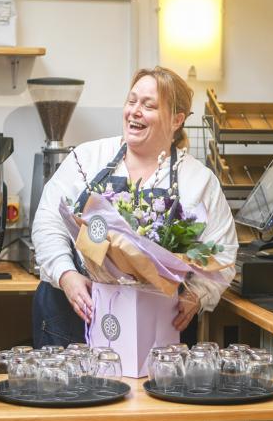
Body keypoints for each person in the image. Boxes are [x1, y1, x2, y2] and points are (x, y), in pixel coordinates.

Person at [31, 66, 238, 349]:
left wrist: (197, 294)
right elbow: (48, 221)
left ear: (177, 119)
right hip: (73, 317)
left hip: (159, 326)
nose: (135, 111)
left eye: (148, 105)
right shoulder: (86, 159)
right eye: (132, 101)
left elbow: (223, 251)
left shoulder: (197, 181)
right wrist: (66, 275)